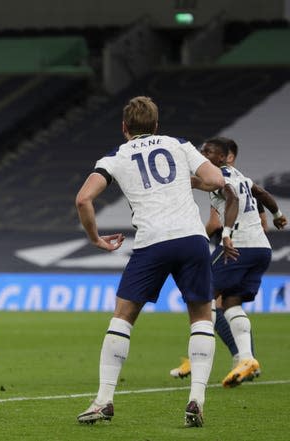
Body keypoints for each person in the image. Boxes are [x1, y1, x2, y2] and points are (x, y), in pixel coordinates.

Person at [74, 96, 225, 427]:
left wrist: (95, 238)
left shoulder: (117, 155)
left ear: (124, 127)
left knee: (123, 317)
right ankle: (196, 399)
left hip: (152, 242)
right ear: (157, 125)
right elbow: (216, 180)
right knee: (201, 317)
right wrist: (187, 181)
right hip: (191, 239)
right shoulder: (178, 143)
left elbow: (84, 198)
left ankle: (103, 400)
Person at [169, 137, 285, 380]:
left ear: (223, 158)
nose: (202, 153)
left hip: (237, 245)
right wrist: (278, 214)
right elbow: (262, 192)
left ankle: (198, 357)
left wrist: (227, 235)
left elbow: (229, 197)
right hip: (261, 249)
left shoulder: (221, 178)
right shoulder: (241, 176)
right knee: (231, 303)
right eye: (202, 150)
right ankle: (246, 359)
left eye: (208, 151)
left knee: (203, 296)